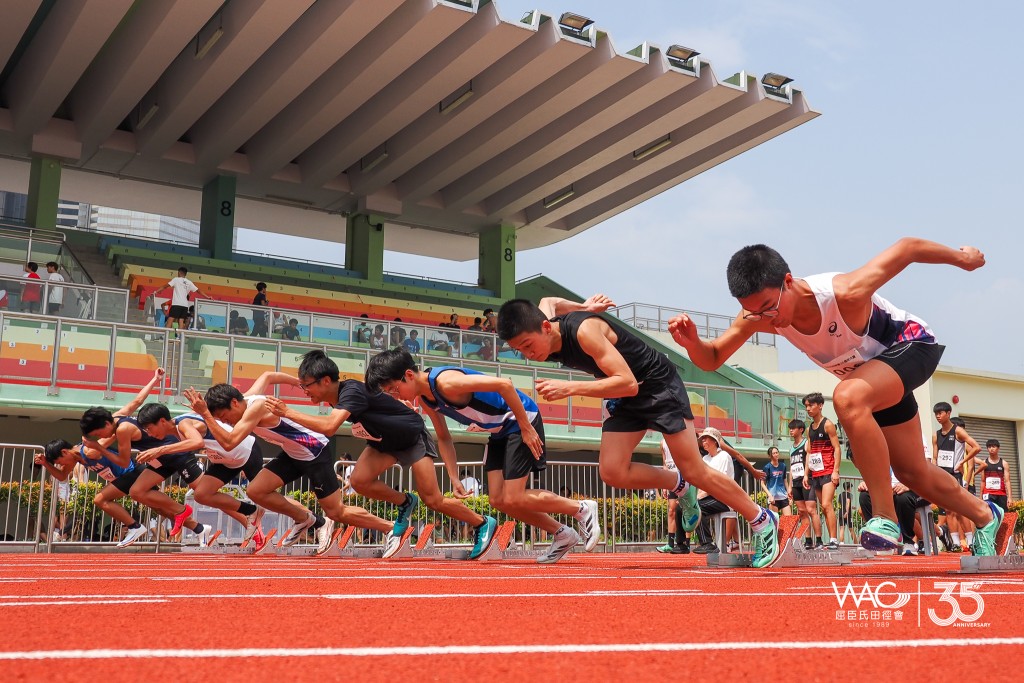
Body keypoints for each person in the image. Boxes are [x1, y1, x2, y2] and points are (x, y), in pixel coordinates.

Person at [668, 239, 1003, 555]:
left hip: (912, 346)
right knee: (912, 471)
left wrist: (962, 258)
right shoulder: (758, 316)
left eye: (769, 308)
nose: (766, 319)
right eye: (755, 313)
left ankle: (885, 519)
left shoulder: (844, 292)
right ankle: (987, 517)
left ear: (788, 281)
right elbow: (712, 358)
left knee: (847, 397)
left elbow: (907, 248)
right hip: (873, 381)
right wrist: (692, 343)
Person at [498, 294, 781, 568]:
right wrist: (583, 305)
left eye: (527, 345)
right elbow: (549, 300)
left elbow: (628, 382)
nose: (528, 354)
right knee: (612, 471)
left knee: (695, 469)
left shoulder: (585, 332)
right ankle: (677, 484)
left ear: (546, 327)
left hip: (656, 385)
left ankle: (762, 520)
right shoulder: (545, 319)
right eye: (519, 350)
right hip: (624, 396)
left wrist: (569, 387)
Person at [365, 348, 601, 563]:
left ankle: (581, 508)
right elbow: (444, 438)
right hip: (499, 431)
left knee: (515, 496)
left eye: (394, 389)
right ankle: (562, 533)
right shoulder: (427, 399)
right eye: (389, 393)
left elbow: (505, 385)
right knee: (498, 499)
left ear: (408, 375)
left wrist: (526, 427)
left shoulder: (446, 382)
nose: (395, 396)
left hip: (520, 420)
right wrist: (454, 478)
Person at [264, 350, 499, 560]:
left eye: (307, 386)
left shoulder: (351, 391)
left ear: (326, 381)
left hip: (411, 437)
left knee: (434, 500)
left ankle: (482, 523)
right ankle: (405, 501)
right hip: (383, 443)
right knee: (359, 481)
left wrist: (287, 412)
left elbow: (329, 427)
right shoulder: (342, 398)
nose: (304, 391)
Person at [184, 374, 397, 556]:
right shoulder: (246, 399)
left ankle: (391, 528)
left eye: (224, 417)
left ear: (233, 403)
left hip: (314, 451)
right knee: (256, 490)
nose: (228, 422)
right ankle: (306, 519)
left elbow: (229, 443)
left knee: (336, 511)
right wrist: (301, 383)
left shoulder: (255, 407)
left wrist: (204, 414)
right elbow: (268, 375)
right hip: (293, 453)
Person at [136, 403, 267, 551]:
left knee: (266, 495)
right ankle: (251, 510)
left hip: (246, 451)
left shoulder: (183, 423)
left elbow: (196, 442)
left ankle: (298, 515)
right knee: (202, 494)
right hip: (225, 460)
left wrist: (160, 450)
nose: (149, 434)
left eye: (149, 428)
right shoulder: (178, 427)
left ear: (162, 421)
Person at [691, 427, 765, 554]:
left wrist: (753, 472)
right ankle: (733, 541)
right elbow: (701, 481)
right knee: (690, 506)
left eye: (705, 438)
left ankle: (722, 543)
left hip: (734, 470)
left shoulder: (723, 452)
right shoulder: (704, 457)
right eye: (701, 439)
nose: (702, 441)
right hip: (713, 491)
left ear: (714, 440)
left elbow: (738, 455)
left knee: (725, 503)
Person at [932, 402, 981, 552]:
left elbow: (976, 447)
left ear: (948, 413)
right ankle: (954, 543)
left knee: (960, 509)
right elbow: (935, 457)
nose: (938, 416)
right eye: (936, 414)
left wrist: (962, 462)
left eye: (941, 413)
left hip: (955, 475)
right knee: (948, 510)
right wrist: (934, 473)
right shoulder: (936, 435)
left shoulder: (958, 431)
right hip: (942, 474)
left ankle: (971, 541)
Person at [803, 392, 842, 550]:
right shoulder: (809, 429)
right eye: (806, 406)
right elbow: (809, 453)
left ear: (820, 406)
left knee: (826, 504)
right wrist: (806, 474)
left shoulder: (828, 424)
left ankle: (833, 539)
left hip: (828, 470)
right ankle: (830, 539)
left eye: (811, 405)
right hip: (816, 472)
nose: (808, 409)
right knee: (823, 508)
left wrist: (836, 471)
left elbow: (837, 448)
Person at [857, 472, 930, 556]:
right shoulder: (882, 459)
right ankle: (877, 540)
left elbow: (926, 473)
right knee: (864, 496)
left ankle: (908, 541)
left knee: (903, 498)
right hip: (891, 491)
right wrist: (867, 483)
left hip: (918, 490)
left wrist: (910, 485)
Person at [787, 418, 822, 549]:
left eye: (793, 428)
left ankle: (819, 540)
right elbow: (792, 467)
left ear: (800, 430)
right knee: (802, 511)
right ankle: (808, 540)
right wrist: (790, 486)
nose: (790, 430)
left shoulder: (806, 443)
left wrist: (807, 475)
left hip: (807, 480)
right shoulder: (791, 448)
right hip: (795, 482)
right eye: (790, 428)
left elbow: (809, 460)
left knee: (811, 510)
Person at [657, 438, 688, 553]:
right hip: (672, 479)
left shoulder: (678, 438)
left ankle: (686, 543)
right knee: (671, 510)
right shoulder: (662, 442)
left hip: (683, 477)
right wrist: (664, 485)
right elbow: (664, 463)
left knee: (684, 509)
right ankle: (670, 543)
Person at [974, 439, 1012, 522]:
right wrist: (980, 496)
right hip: (988, 494)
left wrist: (1009, 497)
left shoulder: (1004, 463)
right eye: (989, 447)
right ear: (987, 449)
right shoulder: (984, 463)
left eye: (994, 446)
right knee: (989, 516)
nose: (991, 448)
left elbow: (1007, 481)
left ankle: (1003, 535)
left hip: (1001, 494)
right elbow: (982, 481)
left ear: (998, 448)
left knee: (1003, 517)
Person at [760, 445, 791, 518]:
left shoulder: (783, 465)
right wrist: (770, 495)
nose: (776, 454)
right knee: (775, 521)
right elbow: (762, 483)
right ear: (770, 455)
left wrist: (788, 493)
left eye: (777, 452)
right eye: (774, 453)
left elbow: (785, 480)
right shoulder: (767, 467)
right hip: (773, 498)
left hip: (783, 497)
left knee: (789, 520)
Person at [165, 267, 199, 331]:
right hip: (185, 305)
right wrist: (207, 296)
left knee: (170, 320)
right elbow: (198, 290)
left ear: (179, 272)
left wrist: (157, 291)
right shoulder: (189, 282)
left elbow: (165, 286)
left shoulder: (176, 279)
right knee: (181, 321)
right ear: (185, 274)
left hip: (176, 304)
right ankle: (179, 337)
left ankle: (165, 336)